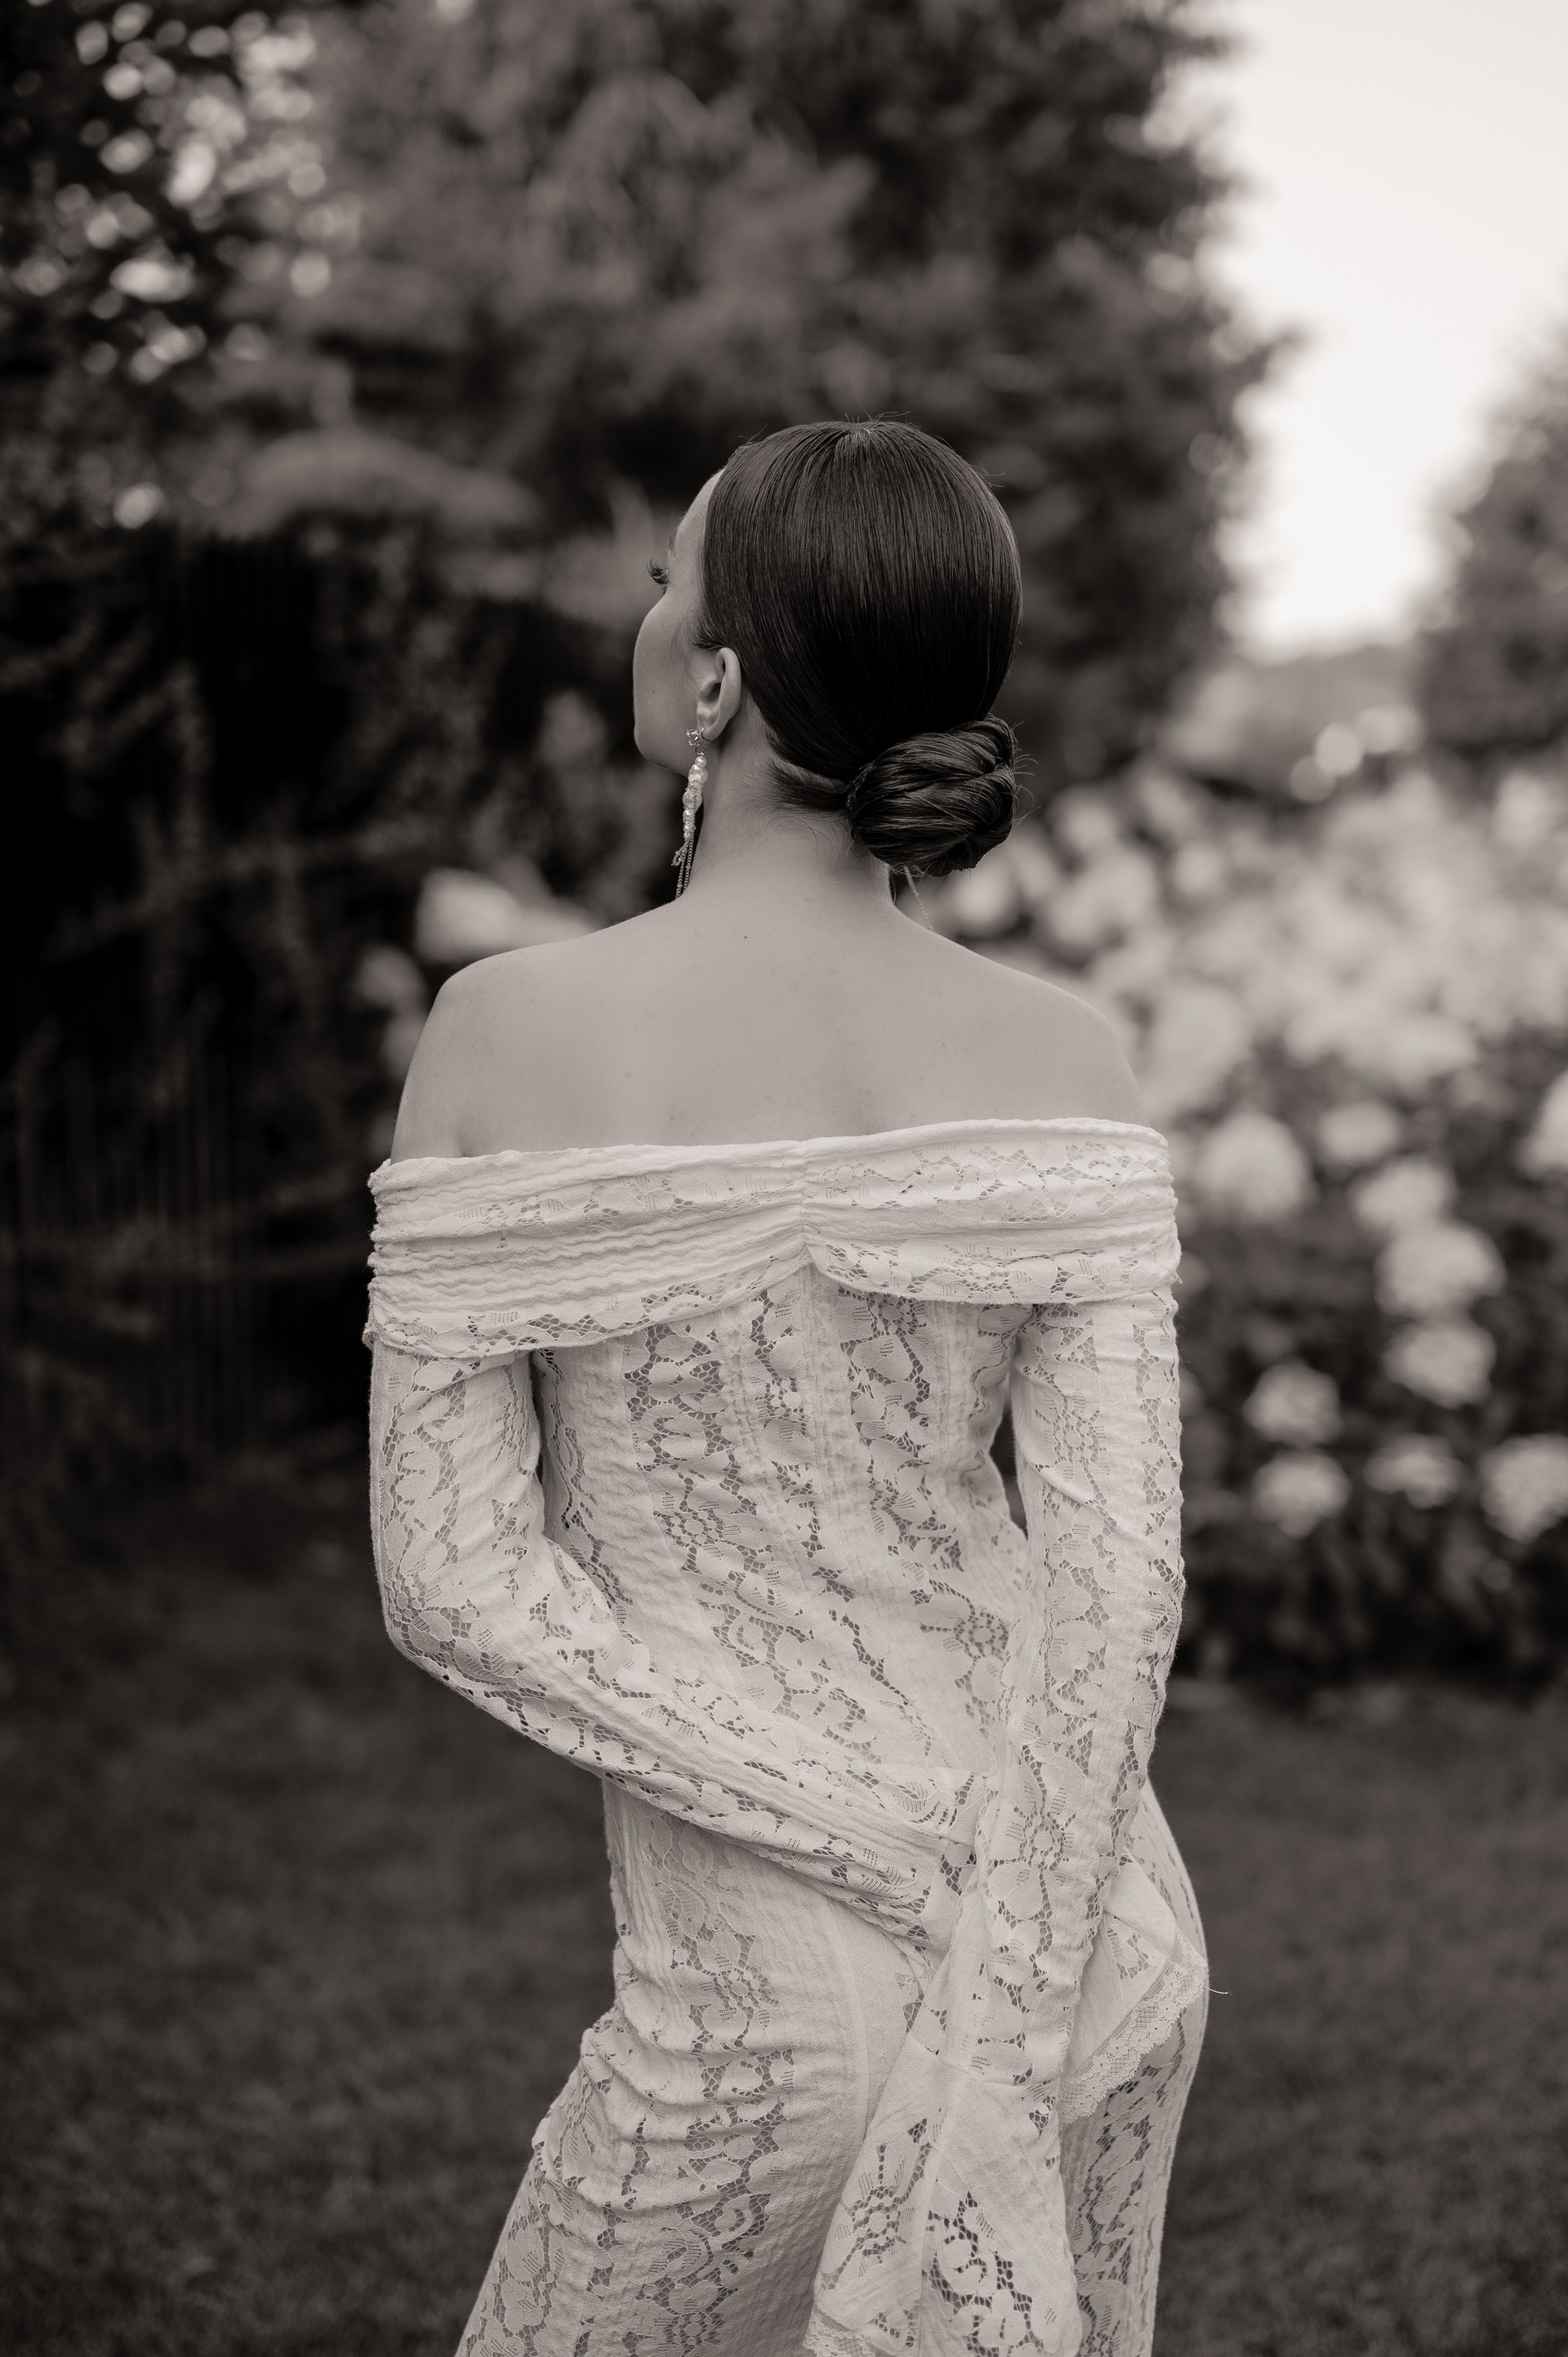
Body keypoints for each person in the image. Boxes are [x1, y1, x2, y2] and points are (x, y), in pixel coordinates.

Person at [368, 419, 1205, 2357]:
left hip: (768, 2019)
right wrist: (1004, 1916)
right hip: (1095, 1945)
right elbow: (1119, 1584)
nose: (649, 608)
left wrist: (884, 1850)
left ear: (718, 681)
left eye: (670, 578)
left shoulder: (505, 1030)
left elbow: (453, 1577)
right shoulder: (1068, 1055)